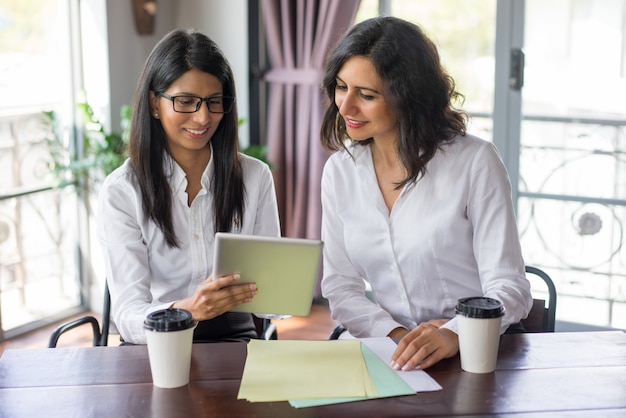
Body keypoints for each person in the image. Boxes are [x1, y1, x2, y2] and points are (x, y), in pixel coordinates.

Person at [319, 16, 532, 370]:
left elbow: (509, 287)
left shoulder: (475, 162)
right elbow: (341, 287)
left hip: (476, 352)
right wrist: (398, 336)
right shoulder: (339, 172)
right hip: (397, 353)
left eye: (366, 95)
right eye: (341, 88)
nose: (345, 107)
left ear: (408, 96)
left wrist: (453, 333)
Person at [97, 28, 280, 345]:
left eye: (214, 102)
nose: (202, 118)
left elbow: (272, 297)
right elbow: (127, 316)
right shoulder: (122, 191)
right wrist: (189, 310)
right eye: (186, 102)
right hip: (155, 335)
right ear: (155, 104)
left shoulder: (255, 176)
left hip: (232, 334)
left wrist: (280, 293)